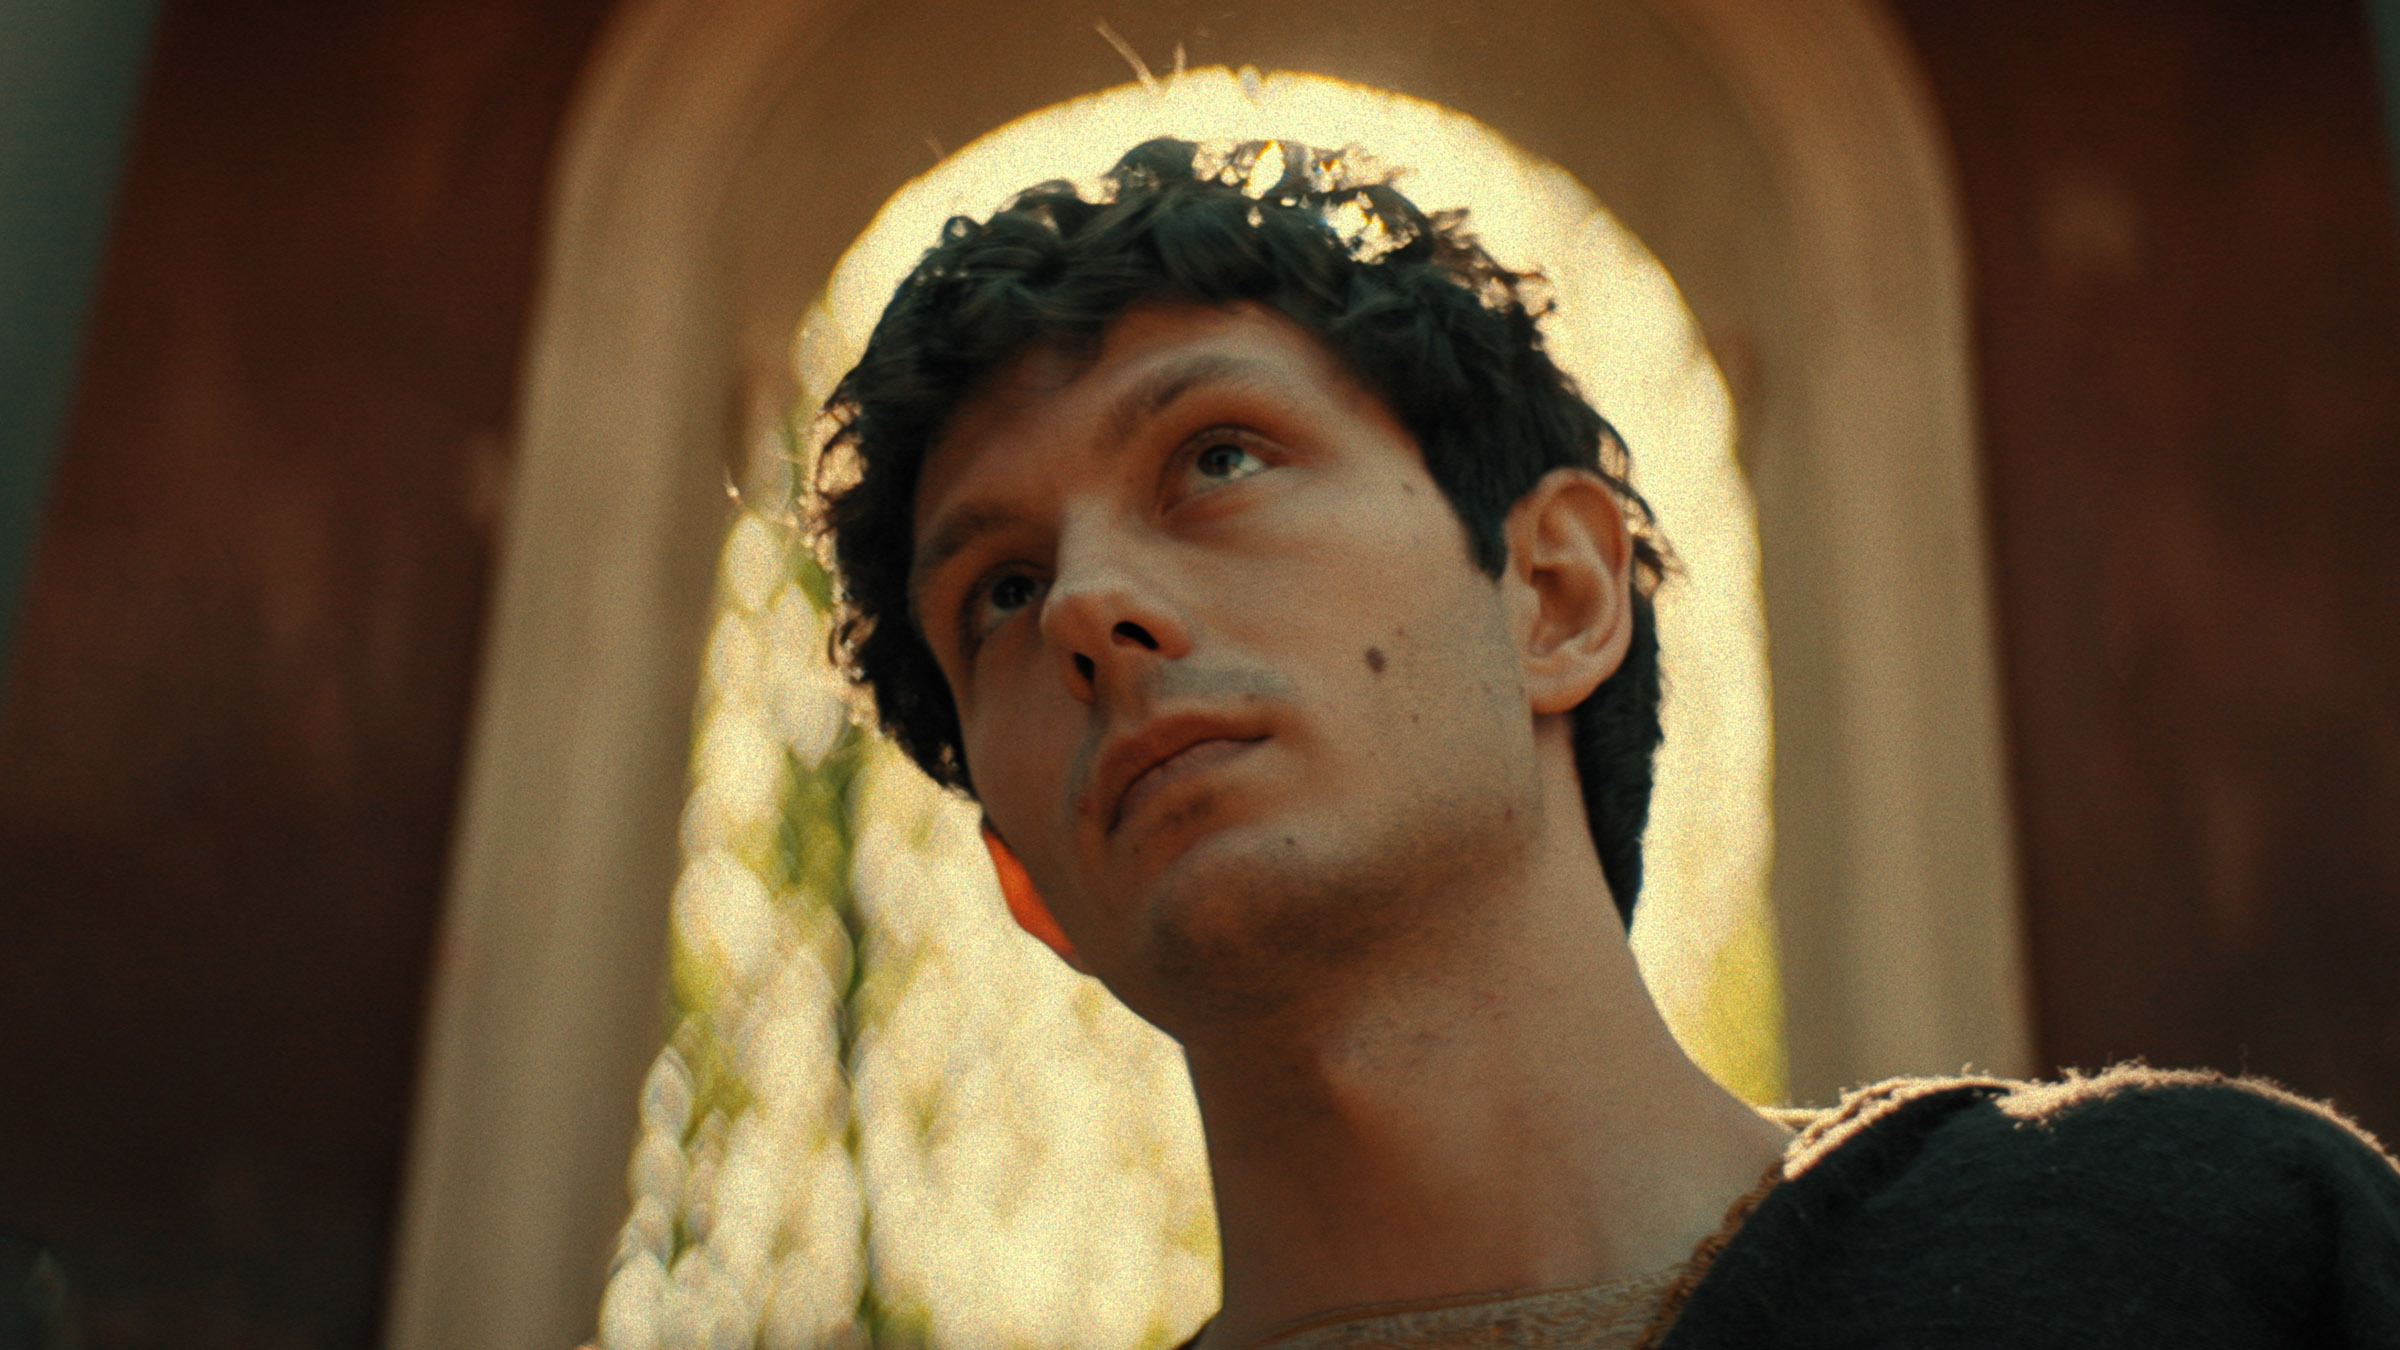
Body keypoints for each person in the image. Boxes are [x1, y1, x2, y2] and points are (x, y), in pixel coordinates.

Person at [814, 138, 2400, 1348]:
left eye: (1217, 456)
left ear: (1558, 593)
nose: (1086, 604)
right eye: (998, 590)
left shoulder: (2213, 1253)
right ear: (1028, 884)